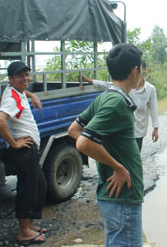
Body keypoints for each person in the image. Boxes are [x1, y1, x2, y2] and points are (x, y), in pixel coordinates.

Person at [68, 43, 144, 246]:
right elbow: (83, 142)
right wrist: (118, 167)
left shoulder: (105, 98)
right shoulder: (116, 102)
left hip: (115, 198)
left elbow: (73, 130)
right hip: (122, 199)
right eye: (140, 69)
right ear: (134, 70)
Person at [0, 61, 47, 244]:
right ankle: (24, 232)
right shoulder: (12, 98)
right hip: (24, 150)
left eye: (27, 74)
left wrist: (32, 95)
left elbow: (21, 92)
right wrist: (14, 143)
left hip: (29, 149)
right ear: (10, 79)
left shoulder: (17, 92)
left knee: (40, 185)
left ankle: (30, 224)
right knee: (28, 189)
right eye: (20, 76)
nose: (25, 78)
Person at [81, 59, 159, 151]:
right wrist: (89, 81)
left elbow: (154, 109)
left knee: (135, 156)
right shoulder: (126, 86)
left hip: (139, 131)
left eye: (139, 69)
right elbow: (107, 85)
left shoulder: (150, 89)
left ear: (144, 70)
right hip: (123, 131)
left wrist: (155, 128)